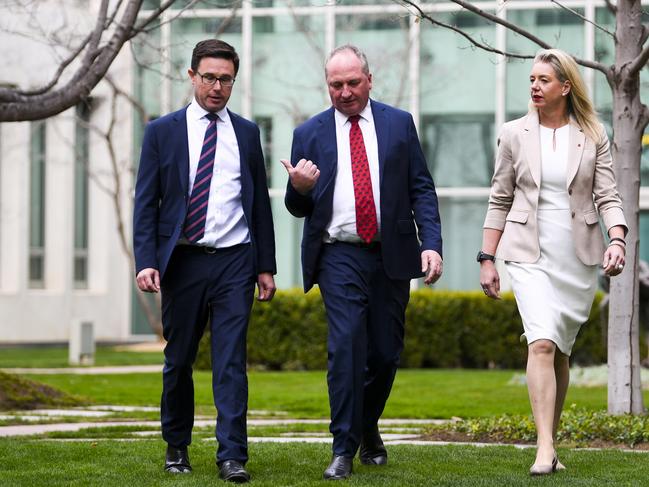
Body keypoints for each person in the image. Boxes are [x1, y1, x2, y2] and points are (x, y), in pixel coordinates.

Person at [281, 44, 443, 480]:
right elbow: (298, 208)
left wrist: (432, 243)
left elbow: (421, 190)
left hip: (391, 253)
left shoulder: (398, 124)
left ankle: (367, 425)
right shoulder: (309, 133)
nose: (345, 92)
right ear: (327, 86)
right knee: (347, 346)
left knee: (386, 353)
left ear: (369, 80)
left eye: (353, 82)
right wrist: (298, 187)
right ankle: (343, 447)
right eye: (336, 85)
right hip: (338, 253)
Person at [133, 39, 276, 483]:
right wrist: (147, 259)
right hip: (183, 261)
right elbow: (146, 203)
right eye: (209, 77)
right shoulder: (163, 131)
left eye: (226, 78)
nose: (217, 86)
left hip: (235, 260)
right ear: (191, 76)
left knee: (231, 360)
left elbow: (258, 206)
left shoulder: (248, 133)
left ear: (234, 80)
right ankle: (177, 446)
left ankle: (232, 455)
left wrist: (265, 265)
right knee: (179, 358)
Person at [479, 48, 627, 476]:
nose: (534, 87)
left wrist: (616, 239)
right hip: (527, 252)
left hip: (576, 254)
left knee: (559, 348)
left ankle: (551, 442)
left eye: (544, 80)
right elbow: (499, 198)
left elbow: (608, 196)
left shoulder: (594, 134)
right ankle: (544, 447)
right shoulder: (513, 133)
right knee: (540, 341)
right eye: (531, 79)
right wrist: (487, 257)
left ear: (566, 86)